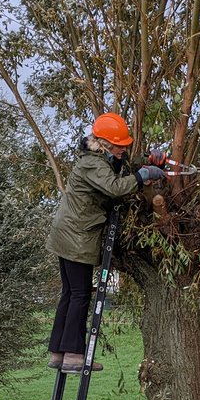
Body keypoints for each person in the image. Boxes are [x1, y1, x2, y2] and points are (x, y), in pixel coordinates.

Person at [45, 112, 166, 372]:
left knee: (69, 293)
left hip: (68, 233)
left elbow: (120, 166)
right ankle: (74, 356)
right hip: (77, 236)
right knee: (78, 295)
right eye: (120, 145)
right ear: (106, 143)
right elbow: (113, 187)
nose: (124, 149)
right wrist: (143, 176)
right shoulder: (94, 164)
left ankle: (58, 353)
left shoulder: (99, 158)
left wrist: (146, 161)